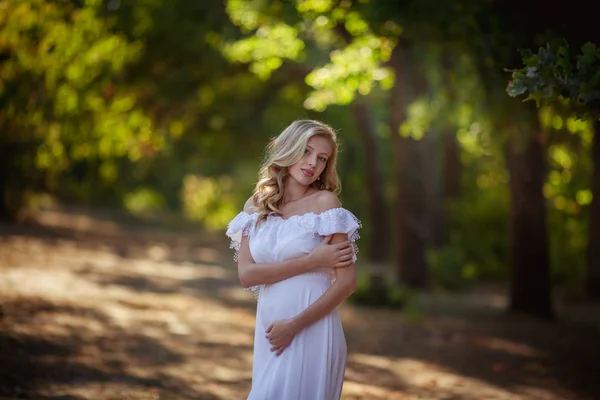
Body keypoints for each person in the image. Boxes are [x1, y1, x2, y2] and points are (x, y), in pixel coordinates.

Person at [226, 119, 362, 400]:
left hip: (312, 329)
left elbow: (347, 283)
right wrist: (311, 261)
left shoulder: (326, 204)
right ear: (289, 149)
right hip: (270, 330)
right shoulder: (256, 207)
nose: (313, 163)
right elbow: (247, 276)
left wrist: (294, 325)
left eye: (322, 158)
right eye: (306, 151)